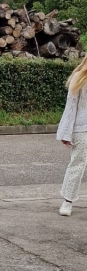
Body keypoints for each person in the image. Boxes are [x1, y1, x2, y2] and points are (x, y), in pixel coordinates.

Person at [56, 55, 87, 216]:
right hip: (82, 129)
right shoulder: (79, 77)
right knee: (78, 163)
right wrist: (65, 132)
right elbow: (71, 107)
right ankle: (67, 201)